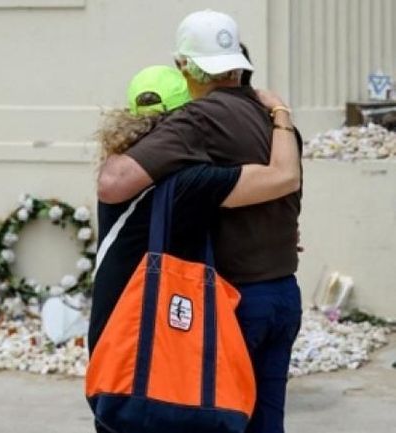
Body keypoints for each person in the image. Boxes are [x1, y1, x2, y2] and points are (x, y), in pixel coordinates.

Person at [96, 11, 303, 433]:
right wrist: (281, 109)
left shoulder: (200, 120)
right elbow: (280, 187)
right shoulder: (278, 125)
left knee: (217, 418)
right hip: (284, 293)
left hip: (234, 300)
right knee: (267, 423)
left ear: (187, 66)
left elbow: (113, 184)